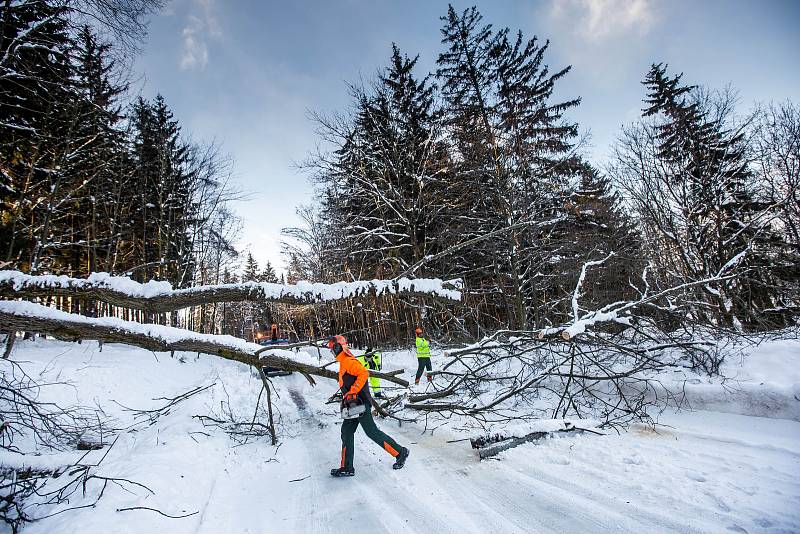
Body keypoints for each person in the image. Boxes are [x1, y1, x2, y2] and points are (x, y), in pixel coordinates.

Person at [329, 335, 409, 477]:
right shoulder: (344, 363)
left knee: (371, 432)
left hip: (360, 403)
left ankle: (400, 452)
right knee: (346, 431)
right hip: (352, 405)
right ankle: (347, 467)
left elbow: (363, 373)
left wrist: (353, 391)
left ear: (338, 347)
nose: (332, 352)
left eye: (333, 348)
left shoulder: (348, 361)